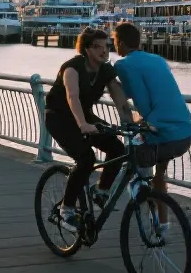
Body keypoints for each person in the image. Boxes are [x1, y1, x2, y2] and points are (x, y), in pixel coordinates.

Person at [44, 27, 131, 230]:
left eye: (106, 46)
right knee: (86, 158)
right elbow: (72, 97)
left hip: (85, 115)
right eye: (97, 47)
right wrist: (83, 125)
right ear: (86, 49)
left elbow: (120, 100)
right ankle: (65, 210)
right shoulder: (72, 68)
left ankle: (100, 190)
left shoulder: (106, 69)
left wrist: (130, 124)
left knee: (117, 148)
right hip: (59, 117)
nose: (104, 51)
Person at [113, 22, 191, 228]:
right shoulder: (157, 59)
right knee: (159, 175)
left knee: (131, 154)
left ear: (120, 43)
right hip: (184, 134)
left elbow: (142, 103)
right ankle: (162, 224)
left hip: (163, 135)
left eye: (114, 42)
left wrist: (112, 86)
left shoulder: (123, 65)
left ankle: (139, 189)